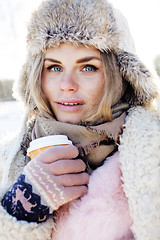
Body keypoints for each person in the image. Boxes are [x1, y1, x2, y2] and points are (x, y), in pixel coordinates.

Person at [0, 0, 160, 239]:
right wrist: (19, 209)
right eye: (54, 67)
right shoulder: (9, 159)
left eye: (88, 68)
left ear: (120, 74)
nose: (67, 86)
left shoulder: (154, 152)